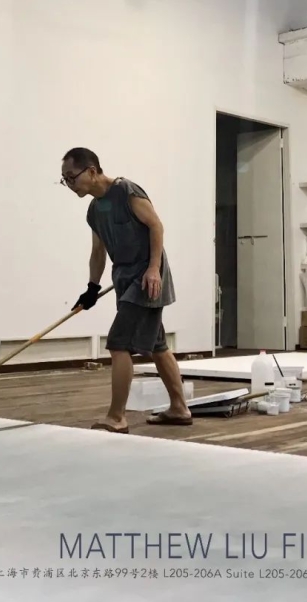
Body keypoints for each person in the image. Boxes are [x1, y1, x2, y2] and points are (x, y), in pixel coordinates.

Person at [61, 147, 191, 433]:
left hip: (146, 279)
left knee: (119, 343)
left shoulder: (127, 191)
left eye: (71, 177)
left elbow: (156, 226)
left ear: (91, 171)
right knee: (157, 346)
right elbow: (98, 251)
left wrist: (154, 268)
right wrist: (92, 288)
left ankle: (117, 417)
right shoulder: (94, 210)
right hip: (124, 279)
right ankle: (179, 408)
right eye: (65, 180)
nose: (69, 184)